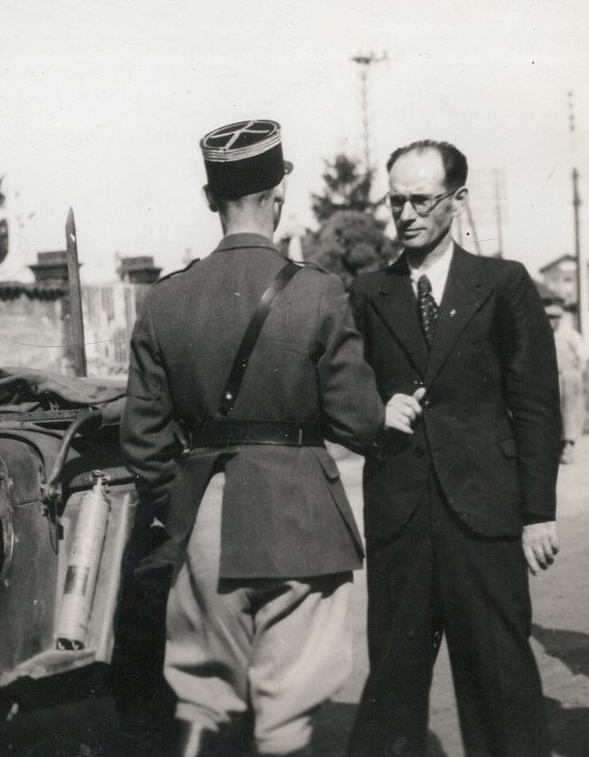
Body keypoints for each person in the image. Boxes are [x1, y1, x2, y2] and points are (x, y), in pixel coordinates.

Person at [121, 120, 384, 757]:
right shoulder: (319, 292)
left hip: (205, 515)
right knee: (287, 705)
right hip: (301, 523)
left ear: (211, 197)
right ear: (279, 195)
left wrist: (179, 510)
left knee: (202, 694)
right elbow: (360, 423)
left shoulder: (164, 301)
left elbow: (144, 440)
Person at [347, 140, 562, 756]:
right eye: (396, 201)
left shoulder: (504, 284)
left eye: (422, 199)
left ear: (458, 200)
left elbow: (536, 407)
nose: (407, 213)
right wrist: (374, 413)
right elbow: (337, 395)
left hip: (485, 518)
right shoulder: (367, 295)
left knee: (502, 686)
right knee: (393, 689)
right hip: (401, 518)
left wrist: (537, 512)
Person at [547, 302, 586, 463]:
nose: (551, 321)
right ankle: (558, 444)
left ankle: (569, 445)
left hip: (570, 376)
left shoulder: (570, 335)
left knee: (570, 411)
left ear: (560, 319)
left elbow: (582, 356)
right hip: (554, 377)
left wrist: (577, 373)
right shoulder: (545, 335)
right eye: (548, 318)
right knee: (555, 411)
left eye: (554, 318)